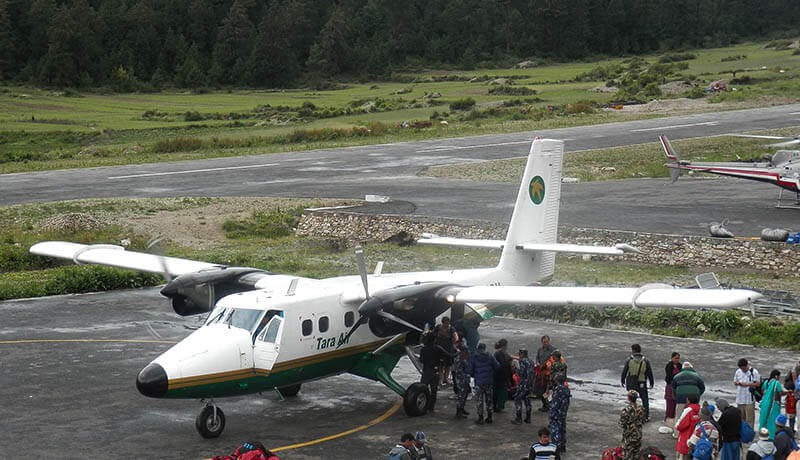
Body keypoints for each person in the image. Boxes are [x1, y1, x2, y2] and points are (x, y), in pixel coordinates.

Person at [621, 344, 655, 422]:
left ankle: (631, 414)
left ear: (633, 350)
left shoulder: (629, 360)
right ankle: (645, 416)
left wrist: (622, 380)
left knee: (632, 399)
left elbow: (625, 371)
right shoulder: (645, 361)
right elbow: (649, 372)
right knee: (645, 400)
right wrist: (651, 382)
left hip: (632, 383)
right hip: (642, 382)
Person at [470, 342, 499, 425]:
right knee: (489, 400)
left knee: (479, 400)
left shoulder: (474, 357)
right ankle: (489, 417)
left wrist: (475, 375)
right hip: (489, 381)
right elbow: (497, 366)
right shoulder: (490, 356)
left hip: (479, 382)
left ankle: (480, 418)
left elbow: (470, 370)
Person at [419, 331, 446, 413]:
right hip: (435, 372)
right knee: (434, 391)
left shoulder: (424, 349)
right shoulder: (438, 348)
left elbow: (421, 360)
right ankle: (431, 407)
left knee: (422, 389)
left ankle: (423, 405)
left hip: (426, 371)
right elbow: (449, 355)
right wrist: (458, 351)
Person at [619, 389, 646, 460]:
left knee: (627, 455)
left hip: (629, 435)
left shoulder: (626, 410)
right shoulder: (641, 408)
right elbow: (643, 420)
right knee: (636, 454)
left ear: (628, 398)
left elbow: (622, 423)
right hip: (638, 434)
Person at [734, 358, 760, 428]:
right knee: (741, 418)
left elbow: (758, 384)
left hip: (749, 399)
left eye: (744, 369)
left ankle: (750, 432)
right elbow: (735, 381)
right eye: (741, 369)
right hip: (740, 398)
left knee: (750, 418)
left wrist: (747, 384)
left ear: (746, 366)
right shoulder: (738, 372)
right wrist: (737, 383)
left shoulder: (754, 372)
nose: (743, 370)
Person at [758, 369, 785, 439]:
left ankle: (762, 434)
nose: (779, 378)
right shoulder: (776, 383)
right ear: (776, 376)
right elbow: (780, 393)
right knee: (773, 420)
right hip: (773, 404)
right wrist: (788, 392)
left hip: (764, 404)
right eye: (779, 376)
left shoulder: (766, 382)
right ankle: (771, 436)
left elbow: (763, 391)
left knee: (764, 419)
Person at [549, 372, 571, 454]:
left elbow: (555, 404)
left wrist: (551, 414)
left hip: (556, 413)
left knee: (555, 431)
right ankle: (562, 446)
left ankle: (556, 448)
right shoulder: (566, 389)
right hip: (563, 413)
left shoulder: (558, 389)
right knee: (562, 429)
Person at [433, 316, 458, 387]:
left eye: (448, 323)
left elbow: (456, 337)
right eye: (445, 323)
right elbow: (433, 335)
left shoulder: (451, 329)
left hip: (449, 350)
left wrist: (454, 343)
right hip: (439, 349)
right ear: (442, 323)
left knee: (448, 365)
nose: (446, 325)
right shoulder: (438, 327)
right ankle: (440, 379)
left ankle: (446, 378)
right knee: (440, 365)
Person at [674, 393, 701, 460]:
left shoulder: (688, 410)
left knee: (682, 456)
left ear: (688, 401)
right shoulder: (700, 410)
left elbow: (681, 425)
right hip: (696, 438)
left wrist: (676, 425)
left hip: (685, 437)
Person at [512, 347, 534, 425]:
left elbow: (521, 373)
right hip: (530, 384)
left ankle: (519, 418)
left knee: (517, 399)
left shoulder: (522, 361)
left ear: (522, 354)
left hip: (523, 383)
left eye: (520, 354)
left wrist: (515, 369)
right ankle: (528, 418)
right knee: (527, 400)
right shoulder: (531, 361)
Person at [535, 335, 555, 411]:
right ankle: (544, 404)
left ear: (549, 341)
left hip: (550, 374)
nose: (545, 343)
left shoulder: (553, 350)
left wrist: (546, 365)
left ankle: (549, 405)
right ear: (541, 342)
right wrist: (537, 363)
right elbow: (537, 358)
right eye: (544, 342)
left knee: (549, 390)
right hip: (541, 374)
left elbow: (555, 361)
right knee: (541, 390)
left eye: (546, 342)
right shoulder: (539, 350)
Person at [493, 338, 513, 412]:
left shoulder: (496, 353)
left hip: (496, 376)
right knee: (501, 392)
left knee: (495, 392)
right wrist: (509, 378)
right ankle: (499, 406)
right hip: (502, 376)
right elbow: (506, 366)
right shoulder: (503, 354)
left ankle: (495, 406)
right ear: (504, 345)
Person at [452, 345, 471, 419]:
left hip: (464, 380)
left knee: (464, 395)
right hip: (461, 380)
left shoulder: (464, 358)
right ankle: (458, 412)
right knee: (461, 396)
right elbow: (459, 371)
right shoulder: (459, 359)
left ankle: (462, 409)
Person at [664, 352, 682, 428]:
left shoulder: (680, 366)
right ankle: (669, 419)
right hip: (670, 387)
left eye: (678, 358)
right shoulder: (669, 366)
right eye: (676, 358)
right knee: (670, 403)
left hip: (678, 388)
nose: (677, 360)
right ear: (672, 358)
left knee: (677, 404)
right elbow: (668, 377)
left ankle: (676, 420)